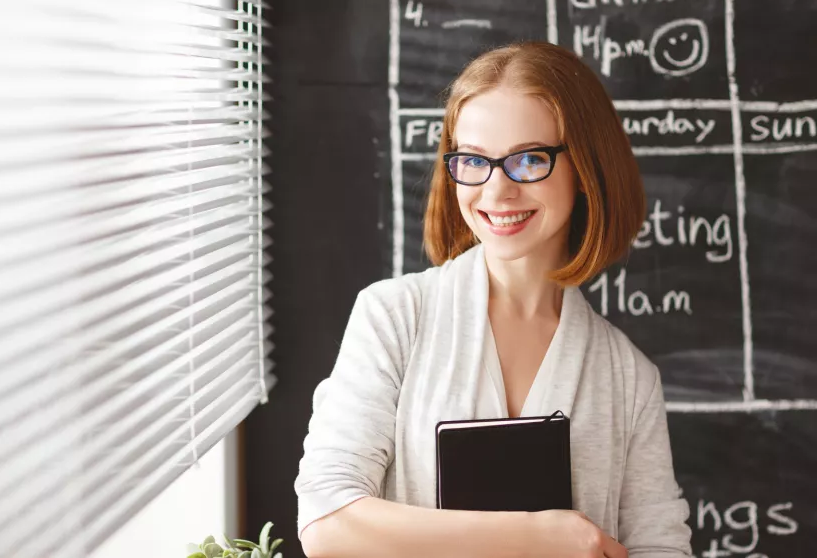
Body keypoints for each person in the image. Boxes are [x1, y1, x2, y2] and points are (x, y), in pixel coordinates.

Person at [293, 41, 693, 558]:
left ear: (587, 169)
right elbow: (328, 522)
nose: (497, 191)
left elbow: (661, 546)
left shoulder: (628, 378)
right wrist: (541, 537)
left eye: (529, 159)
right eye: (474, 161)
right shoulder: (394, 317)